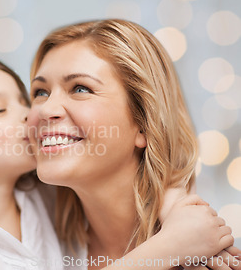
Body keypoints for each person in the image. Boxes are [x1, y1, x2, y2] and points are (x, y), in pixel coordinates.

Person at [0, 54, 237, 270]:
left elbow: (134, 175)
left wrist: (177, 209)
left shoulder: (40, 196)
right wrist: (171, 246)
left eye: (26, 100)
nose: (33, 115)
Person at [27, 19, 240, 269]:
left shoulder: (208, 258)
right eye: (40, 92)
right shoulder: (32, 240)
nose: (46, 109)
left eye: (81, 88)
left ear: (144, 123)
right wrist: (169, 246)